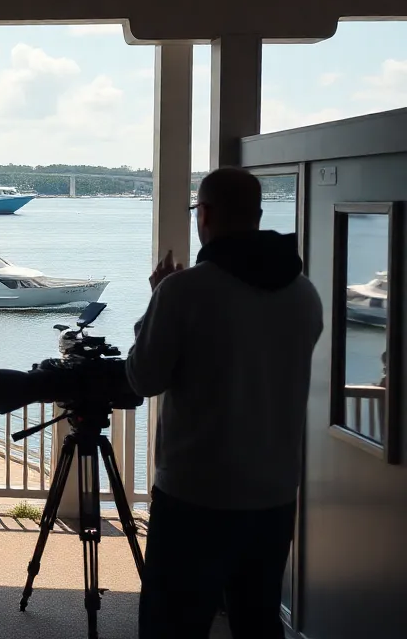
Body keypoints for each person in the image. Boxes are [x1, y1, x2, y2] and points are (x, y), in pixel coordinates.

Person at [127, 167, 322, 639]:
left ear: (206, 215)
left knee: (173, 625)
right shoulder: (304, 293)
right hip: (274, 495)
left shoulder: (184, 290)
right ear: (257, 216)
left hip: (196, 495)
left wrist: (155, 302)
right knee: (257, 620)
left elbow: (142, 378)